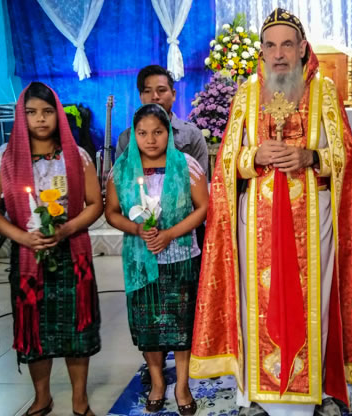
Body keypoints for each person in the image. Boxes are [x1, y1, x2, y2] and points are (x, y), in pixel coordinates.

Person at [190, 8, 352, 415]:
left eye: (287, 45)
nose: (279, 53)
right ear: (262, 51)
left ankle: (315, 391)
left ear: (302, 48)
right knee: (257, 301)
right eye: (271, 45)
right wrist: (253, 155)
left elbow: (345, 159)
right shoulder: (247, 93)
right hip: (256, 221)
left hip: (314, 217)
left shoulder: (323, 92)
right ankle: (254, 395)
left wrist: (310, 156)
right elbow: (227, 159)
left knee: (313, 300)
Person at [0, 82, 103, 416]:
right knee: (35, 329)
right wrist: (22, 237)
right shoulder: (3, 159)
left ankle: (80, 400)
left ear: (58, 114)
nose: (40, 119)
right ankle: (42, 397)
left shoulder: (76, 156)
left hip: (72, 254)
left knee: (77, 328)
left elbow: (95, 203)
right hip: (28, 256)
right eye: (31, 112)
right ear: (21, 116)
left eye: (48, 111)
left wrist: (67, 229)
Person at [105, 104, 208, 415]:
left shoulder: (186, 165)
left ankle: (182, 385)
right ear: (134, 135)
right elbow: (111, 212)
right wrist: (137, 228)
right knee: (148, 324)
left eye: (158, 132)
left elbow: (204, 207)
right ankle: (157, 381)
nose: (150, 140)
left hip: (180, 258)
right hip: (141, 260)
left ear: (169, 133)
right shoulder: (123, 168)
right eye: (142, 133)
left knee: (181, 324)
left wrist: (170, 234)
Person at [115, 65, 209, 175]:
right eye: (148, 91)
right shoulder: (127, 138)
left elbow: (200, 178)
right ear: (141, 96)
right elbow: (120, 179)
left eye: (161, 90)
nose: (155, 96)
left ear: (173, 95)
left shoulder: (192, 135)